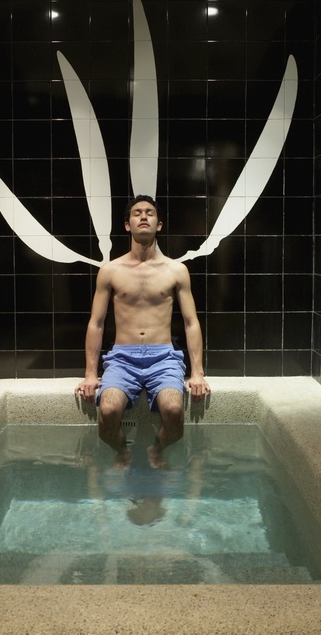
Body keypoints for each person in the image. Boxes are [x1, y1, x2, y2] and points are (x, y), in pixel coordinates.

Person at [75, 195, 210, 469]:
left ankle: (157, 448)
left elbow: (191, 322)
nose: (144, 216)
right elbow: (96, 323)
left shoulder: (176, 270)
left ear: (159, 225)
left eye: (150, 213)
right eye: (137, 213)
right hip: (122, 358)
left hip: (165, 358)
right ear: (127, 225)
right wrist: (91, 373)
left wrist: (197, 372)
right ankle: (123, 449)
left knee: (173, 411)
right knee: (109, 411)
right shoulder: (110, 270)